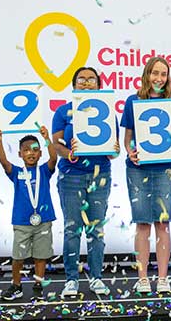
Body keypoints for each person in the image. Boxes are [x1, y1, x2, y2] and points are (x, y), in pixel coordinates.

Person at [51, 66, 120, 298]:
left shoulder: (109, 111)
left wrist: (116, 151)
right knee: (72, 229)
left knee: (96, 229)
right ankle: (71, 280)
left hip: (100, 176)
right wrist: (68, 153)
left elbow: (113, 150)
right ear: (73, 85)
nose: (87, 83)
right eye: (82, 79)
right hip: (71, 175)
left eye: (92, 79)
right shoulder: (63, 111)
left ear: (99, 85)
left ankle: (96, 278)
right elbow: (56, 145)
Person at [121, 56, 171, 294]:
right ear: (147, 74)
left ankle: (163, 278)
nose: (159, 78)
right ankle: (143, 278)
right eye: (155, 73)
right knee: (142, 225)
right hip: (138, 169)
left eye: (164, 74)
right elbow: (127, 137)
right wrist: (130, 151)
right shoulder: (133, 101)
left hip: (166, 169)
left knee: (163, 223)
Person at [0, 126, 57, 300]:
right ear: (20, 154)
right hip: (22, 222)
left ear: (40, 153)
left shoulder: (44, 170)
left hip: (43, 220)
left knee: (41, 255)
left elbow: (54, 158)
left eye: (36, 150)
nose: (31, 153)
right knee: (18, 257)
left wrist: (46, 138)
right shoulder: (17, 172)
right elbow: (3, 162)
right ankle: (16, 286)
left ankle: (38, 286)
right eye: (26, 150)